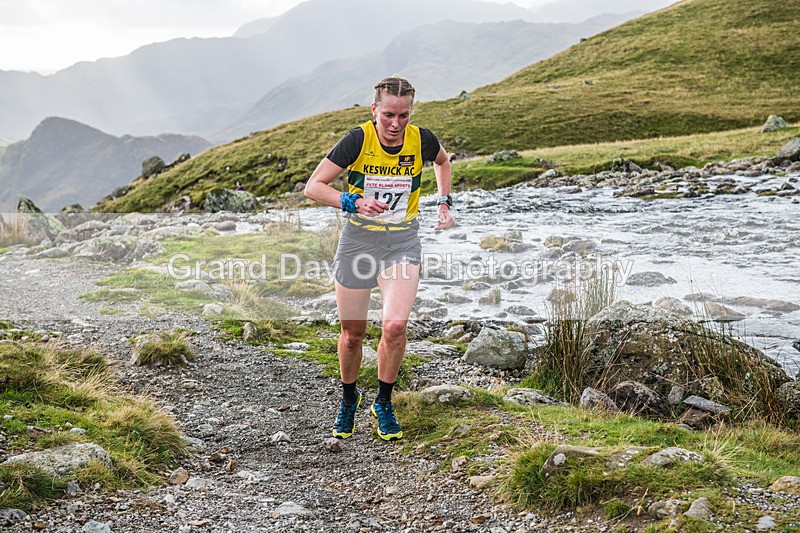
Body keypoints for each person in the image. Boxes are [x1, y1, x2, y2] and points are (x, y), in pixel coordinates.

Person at [304, 76, 455, 441]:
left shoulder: (422, 139)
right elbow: (314, 187)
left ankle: (383, 401)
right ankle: (348, 397)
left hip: (402, 242)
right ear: (375, 110)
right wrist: (352, 201)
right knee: (353, 334)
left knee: (394, 326)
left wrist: (444, 202)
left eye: (403, 116)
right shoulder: (358, 139)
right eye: (388, 114)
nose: (395, 124)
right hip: (358, 243)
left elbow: (443, 162)